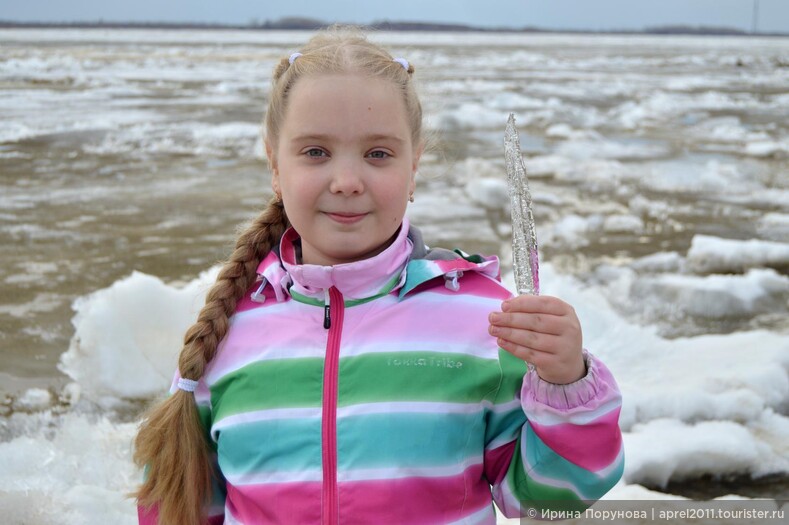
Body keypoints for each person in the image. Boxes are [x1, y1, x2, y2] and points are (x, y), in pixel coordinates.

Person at [134, 26, 624, 525]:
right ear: (275, 166)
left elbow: (551, 500)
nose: (347, 182)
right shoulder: (229, 329)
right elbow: (176, 505)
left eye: (378, 154)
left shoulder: (484, 323)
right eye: (315, 152)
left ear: (414, 169)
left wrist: (567, 384)